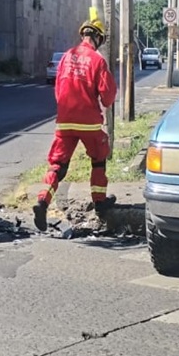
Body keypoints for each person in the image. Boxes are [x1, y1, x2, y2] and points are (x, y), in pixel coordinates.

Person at [33, 17, 118, 232]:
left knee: (57, 165)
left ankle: (42, 201)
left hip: (64, 121)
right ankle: (100, 203)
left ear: (83, 35)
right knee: (98, 160)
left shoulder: (66, 56)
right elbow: (108, 97)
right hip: (88, 122)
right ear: (98, 38)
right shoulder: (97, 61)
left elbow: (58, 89)